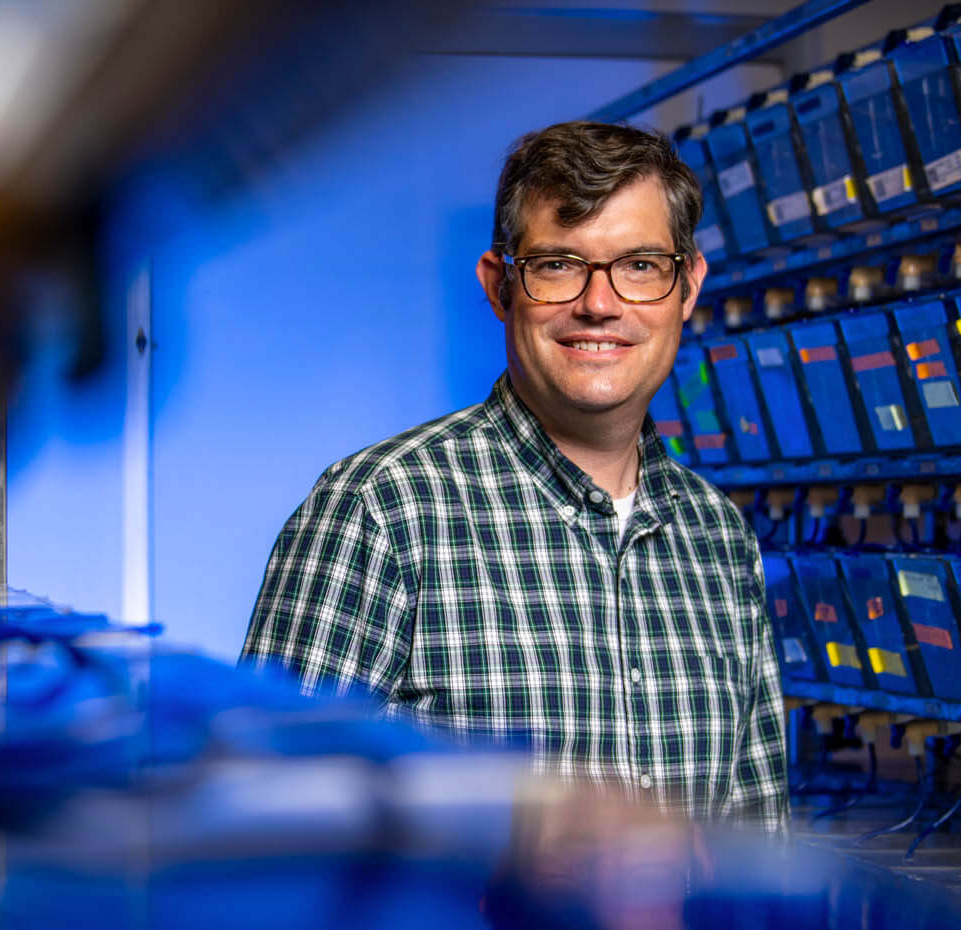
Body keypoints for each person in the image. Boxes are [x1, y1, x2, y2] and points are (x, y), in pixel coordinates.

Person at [242, 121, 788, 830]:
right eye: (559, 264)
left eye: (641, 265)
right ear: (501, 286)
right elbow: (261, 834)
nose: (600, 303)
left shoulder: (717, 537)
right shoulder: (381, 511)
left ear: (687, 286)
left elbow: (757, 844)